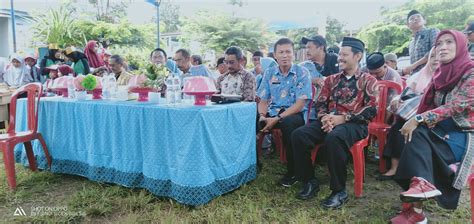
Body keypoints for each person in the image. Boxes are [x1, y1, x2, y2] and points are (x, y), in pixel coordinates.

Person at [390, 30, 474, 223]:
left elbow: (457, 105)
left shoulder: (471, 71)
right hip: (443, 130)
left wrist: (419, 119)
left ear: (461, 45)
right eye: (439, 43)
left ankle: (417, 212)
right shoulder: (441, 73)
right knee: (411, 137)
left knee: (417, 137)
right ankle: (419, 197)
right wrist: (417, 119)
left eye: (449, 42)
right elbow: (430, 105)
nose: (442, 47)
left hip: (466, 134)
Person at [291, 37, 377, 208]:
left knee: (334, 138)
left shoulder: (369, 80)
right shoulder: (331, 80)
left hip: (355, 125)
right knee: (299, 135)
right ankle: (309, 180)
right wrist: (325, 118)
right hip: (329, 120)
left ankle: (339, 191)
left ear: (358, 56)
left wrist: (343, 118)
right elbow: (320, 103)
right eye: (339, 54)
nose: (339, 58)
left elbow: (371, 110)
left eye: (344, 54)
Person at [257, 37, 312, 188]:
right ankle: (251, 165)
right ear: (275, 55)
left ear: (294, 54)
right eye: (281, 52)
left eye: (288, 52)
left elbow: (300, 104)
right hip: (272, 112)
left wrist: (277, 119)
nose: (285, 55)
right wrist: (262, 116)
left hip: (294, 114)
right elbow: (262, 99)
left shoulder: (302, 72)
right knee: (250, 120)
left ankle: (293, 172)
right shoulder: (270, 72)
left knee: (289, 125)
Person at [377, 47, 438, 181]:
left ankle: (415, 173)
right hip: (412, 113)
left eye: (438, 56)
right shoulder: (421, 75)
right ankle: (394, 167)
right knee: (397, 126)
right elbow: (406, 93)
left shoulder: (447, 76)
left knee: (416, 131)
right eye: (432, 56)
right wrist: (397, 98)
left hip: (434, 117)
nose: (435, 59)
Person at [403, 10, 440, 75]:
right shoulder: (411, 43)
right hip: (416, 77)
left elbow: (435, 50)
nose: (416, 19)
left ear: (424, 21)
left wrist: (413, 66)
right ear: (408, 25)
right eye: (412, 18)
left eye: (418, 17)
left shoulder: (432, 31)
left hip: (432, 74)